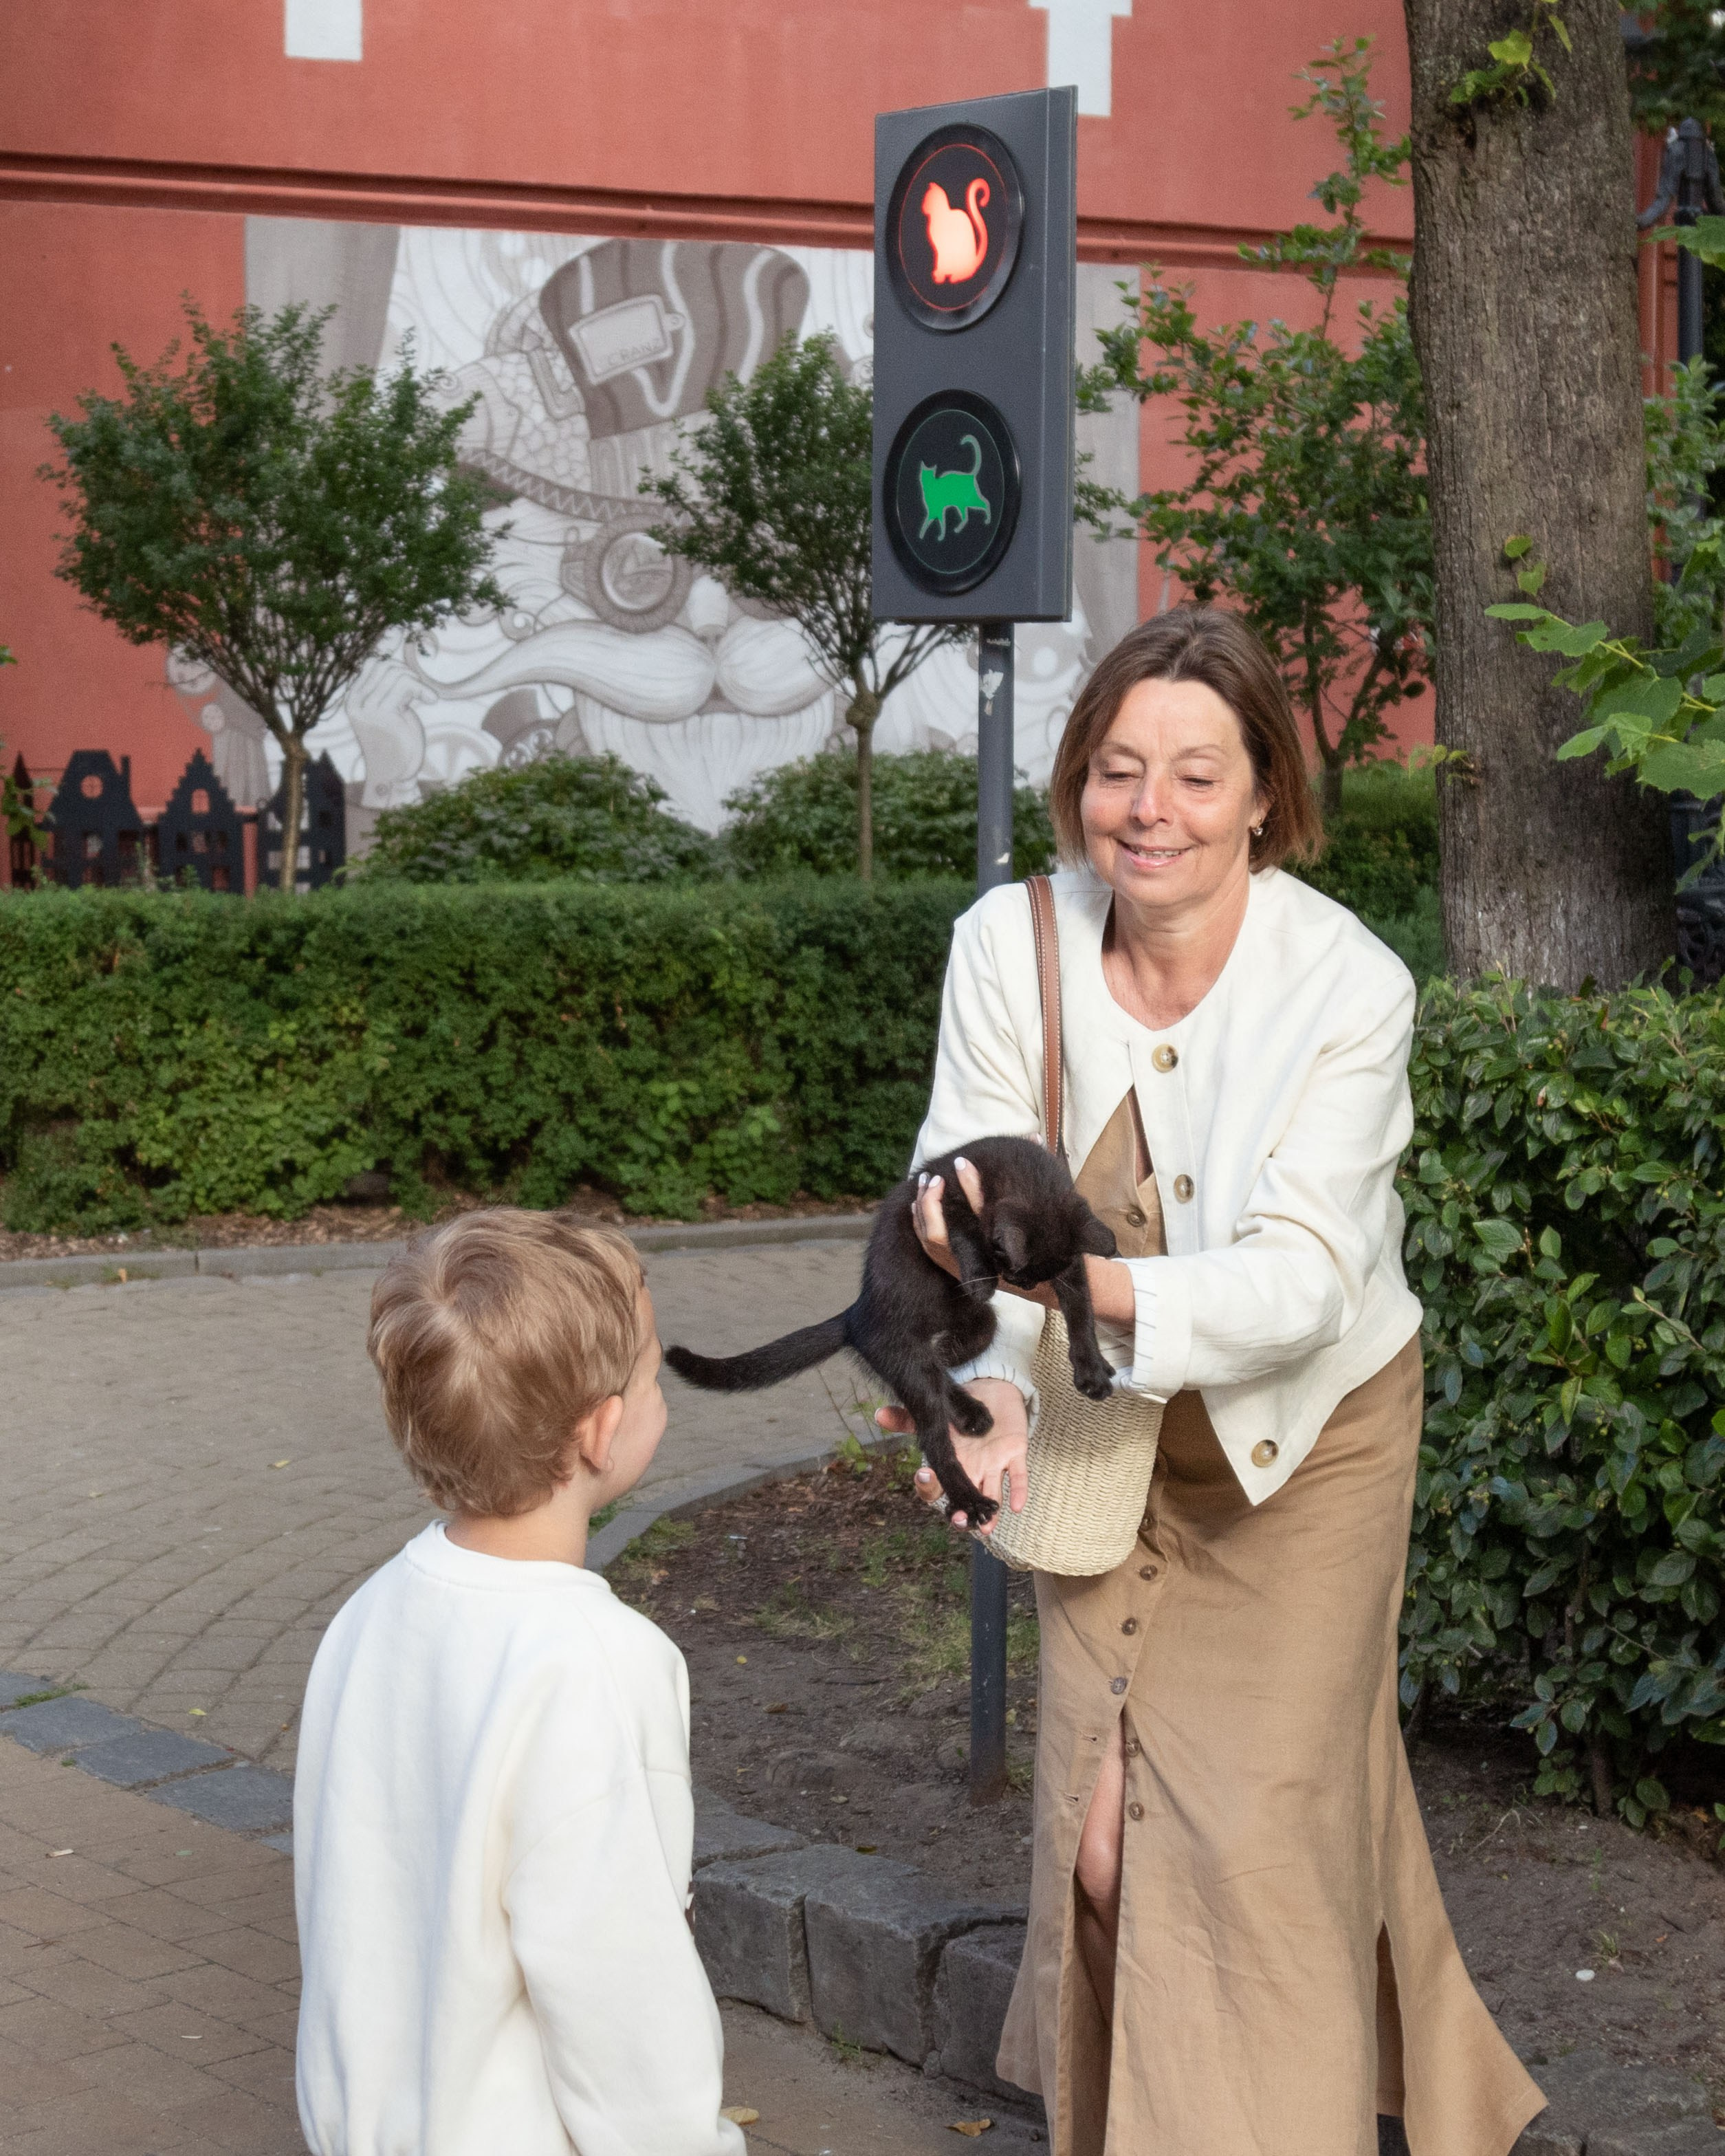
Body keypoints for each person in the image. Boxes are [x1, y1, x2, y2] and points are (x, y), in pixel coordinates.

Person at [883, 609, 1545, 2156]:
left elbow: (1304, 1284)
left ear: (1264, 794)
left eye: (1194, 772)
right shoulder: (1009, 945)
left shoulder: (1346, 983)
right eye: (1119, 770)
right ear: (1077, 781)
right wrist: (979, 1395)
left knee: (1247, 1843)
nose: (1149, 809)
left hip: (1305, 1445)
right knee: (1108, 1843)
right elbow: (957, 1206)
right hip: (1105, 1439)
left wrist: (1086, 1287)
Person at [294, 1209, 744, 2156]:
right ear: (601, 1430)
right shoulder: (597, 1660)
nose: (660, 1395)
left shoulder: (372, 1613)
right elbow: (618, 1980)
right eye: (653, 1374)